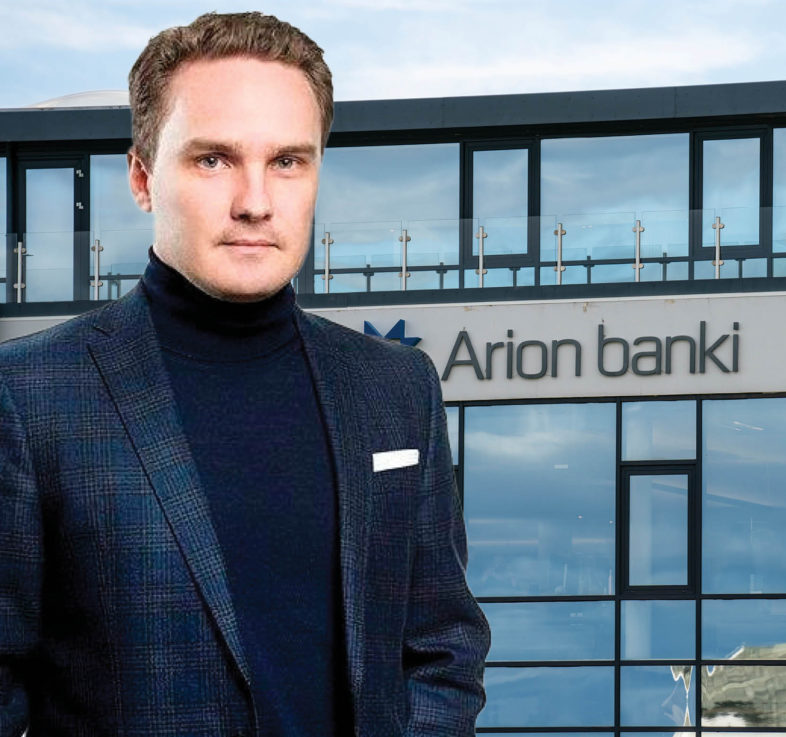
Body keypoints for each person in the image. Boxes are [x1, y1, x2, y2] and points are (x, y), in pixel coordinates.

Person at [0, 11, 488, 737]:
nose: (255, 202)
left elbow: (443, 647)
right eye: (213, 160)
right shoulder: (27, 393)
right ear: (142, 177)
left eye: (287, 161)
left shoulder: (396, 387)